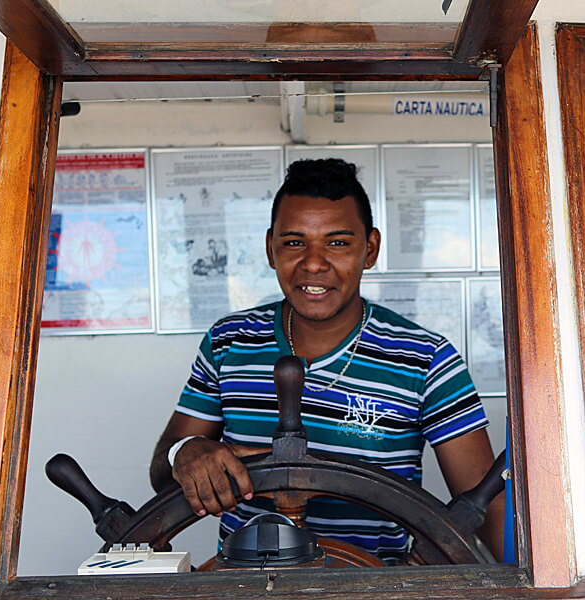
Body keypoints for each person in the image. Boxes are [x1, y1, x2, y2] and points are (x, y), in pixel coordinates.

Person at [150, 158, 503, 563]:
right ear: (270, 248)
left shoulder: (425, 359)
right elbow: (161, 474)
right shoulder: (228, 343)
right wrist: (187, 453)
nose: (313, 263)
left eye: (337, 242)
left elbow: (486, 509)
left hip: (376, 592)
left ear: (370, 249)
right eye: (294, 242)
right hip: (243, 588)